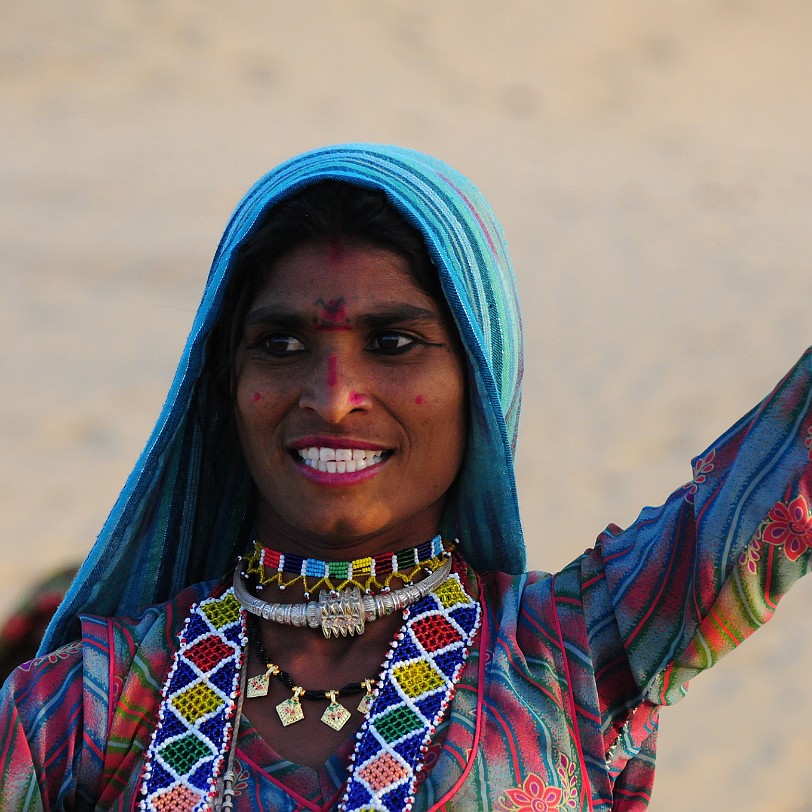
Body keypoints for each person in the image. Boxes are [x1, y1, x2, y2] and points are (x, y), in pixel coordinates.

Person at [1, 144, 810, 812]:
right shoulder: (81, 709)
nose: (333, 396)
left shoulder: (570, 657)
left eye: (393, 343)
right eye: (280, 345)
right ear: (224, 386)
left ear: (480, 383)